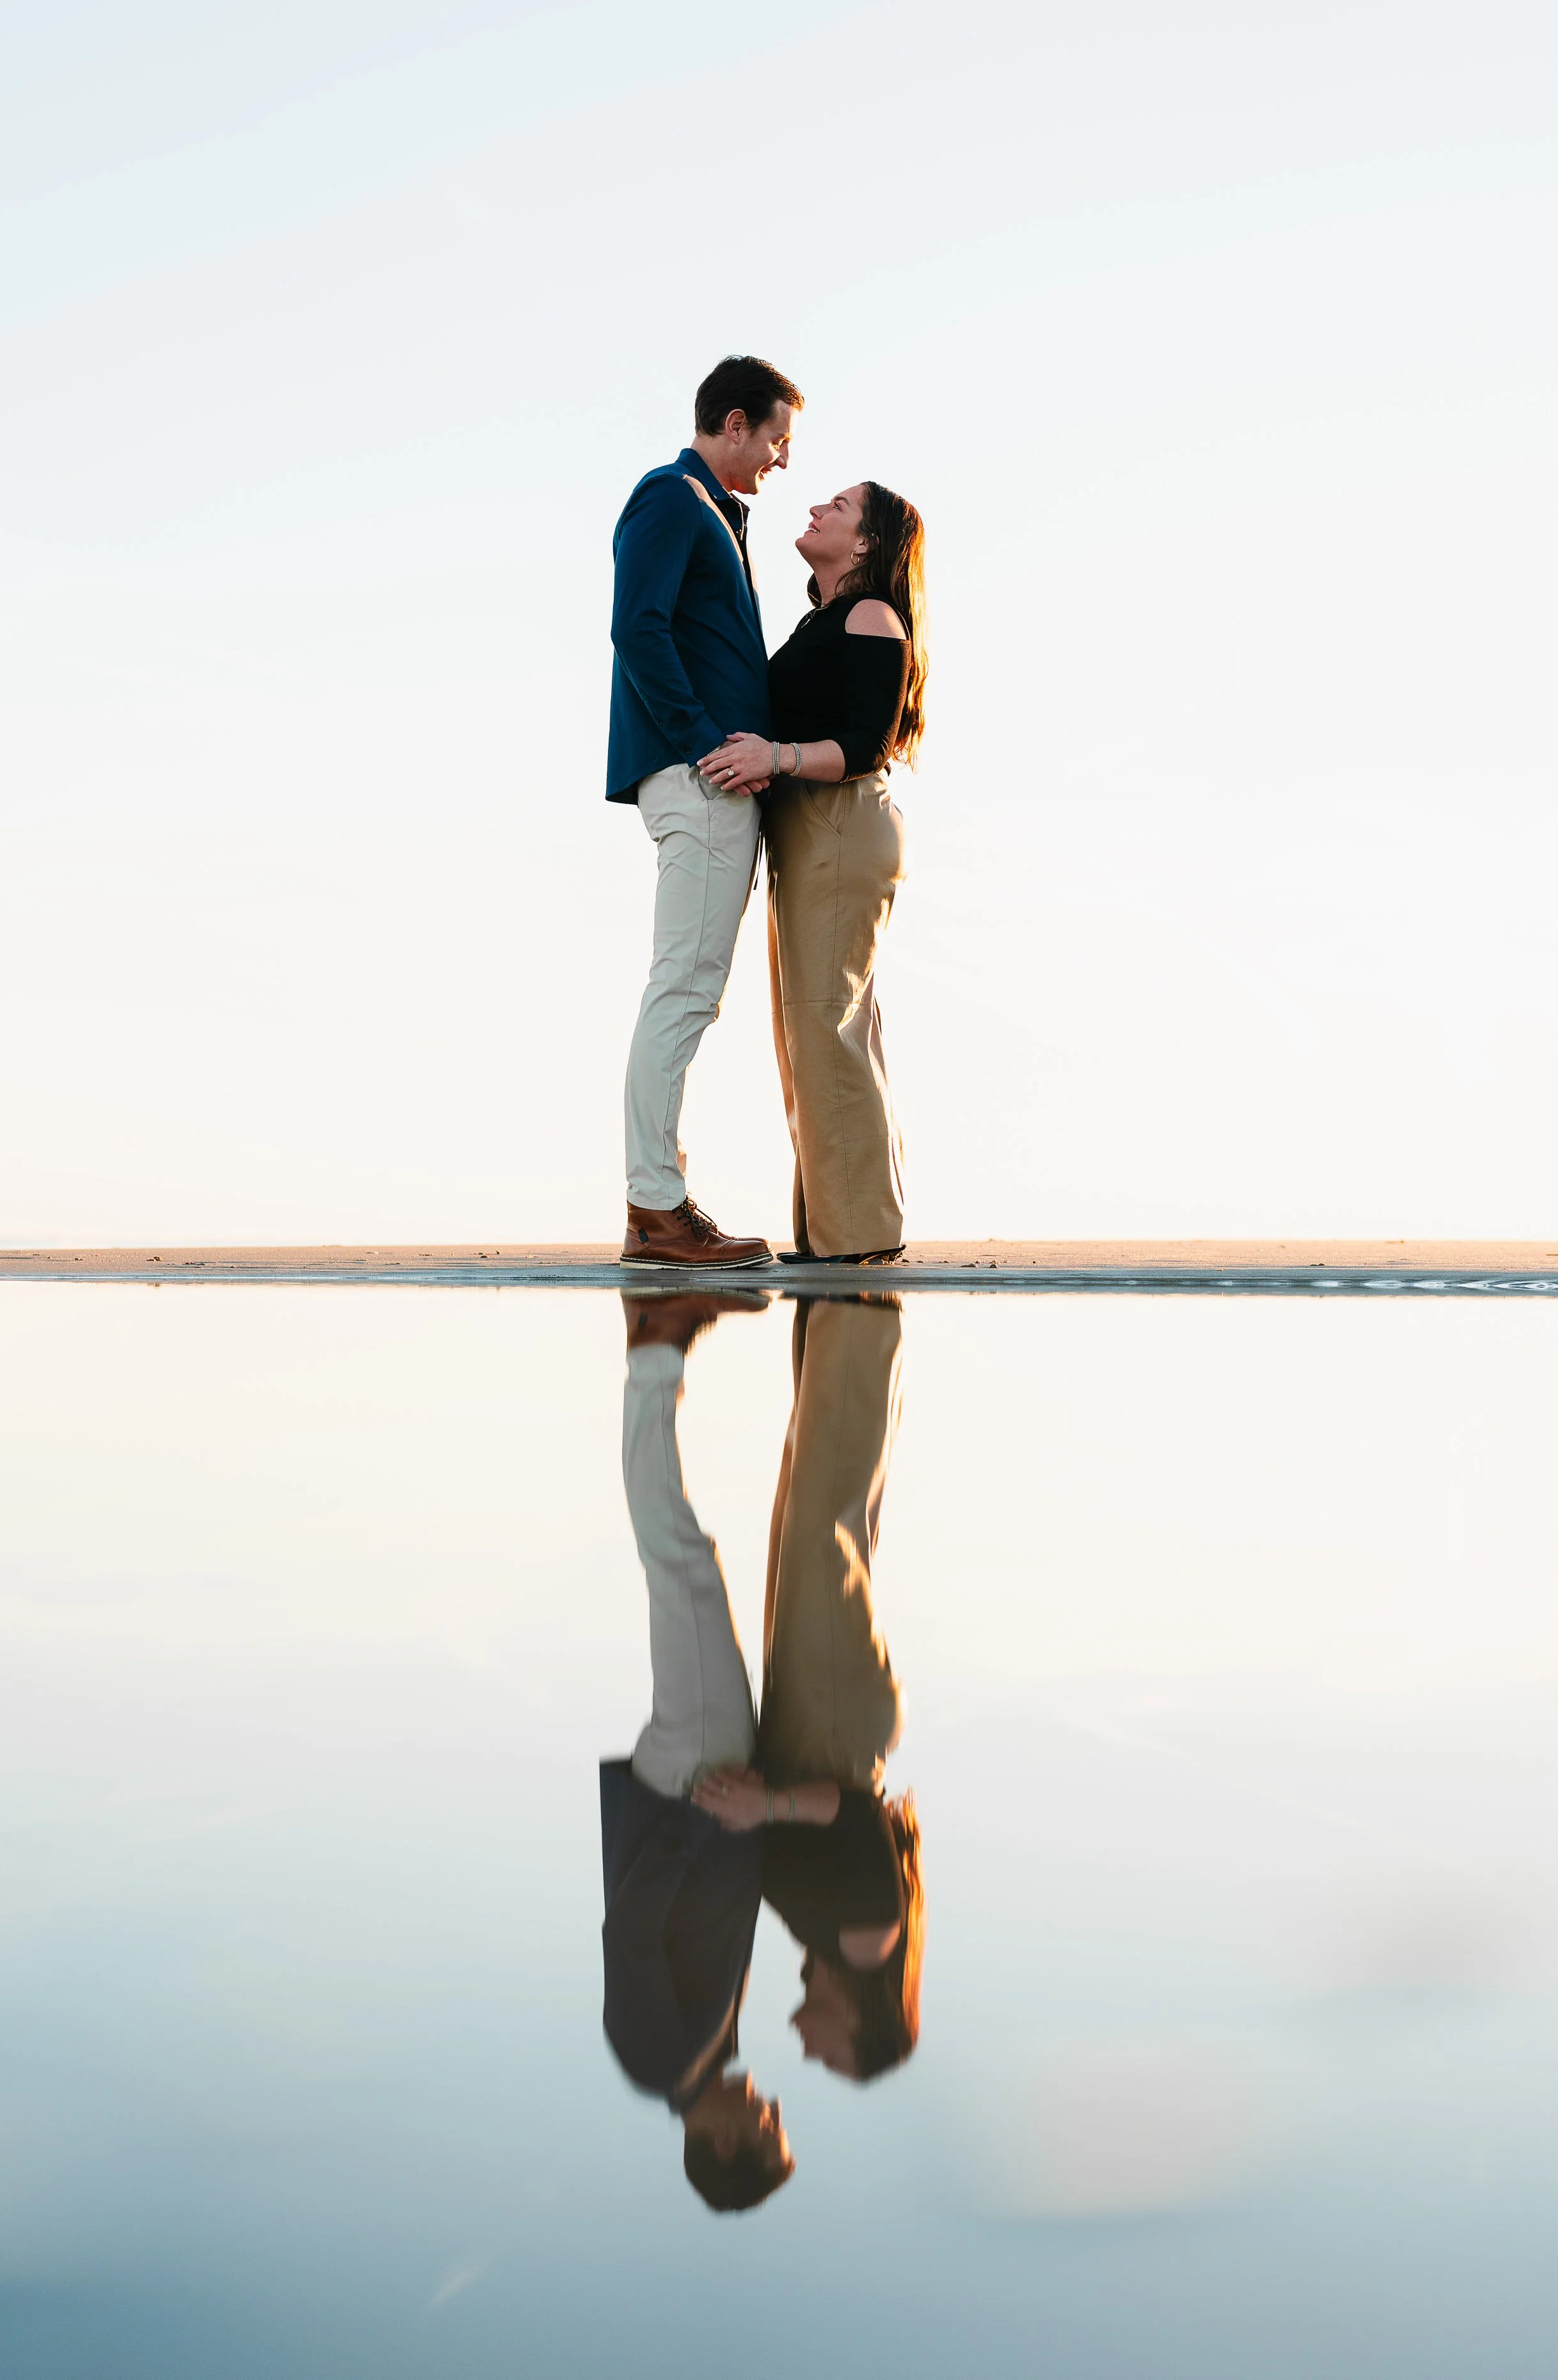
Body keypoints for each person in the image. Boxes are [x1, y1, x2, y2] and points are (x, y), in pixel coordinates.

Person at [692, 1295, 926, 2080]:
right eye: (830, 2056)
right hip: (834, 1725)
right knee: (825, 1515)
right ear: (861, 2026)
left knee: (811, 1504)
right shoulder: (866, 1939)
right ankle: (860, 1310)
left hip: (816, 1718)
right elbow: (850, 1815)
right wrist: (765, 1808)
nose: (807, 2048)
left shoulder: (823, 1944)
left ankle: (837, 1311)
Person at [600, 1288, 795, 2212]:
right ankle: (656, 1352)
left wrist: (695, 1817)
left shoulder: (659, 2059)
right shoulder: (703, 2051)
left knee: (678, 1561)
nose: (770, 2107)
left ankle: (655, 1350)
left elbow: (632, 1931)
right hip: (699, 1782)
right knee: (682, 1563)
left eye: (766, 2127)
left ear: (723, 2142)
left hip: (692, 1782)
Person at [610, 355, 803, 1271]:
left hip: (713, 782)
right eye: (776, 439)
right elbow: (636, 627)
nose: (781, 458)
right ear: (734, 424)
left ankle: (655, 1204)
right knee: (683, 987)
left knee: (690, 988)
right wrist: (701, 743)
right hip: (700, 782)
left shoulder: (715, 513)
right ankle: (656, 1208)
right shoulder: (671, 497)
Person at [700, 482, 928, 1262]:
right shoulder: (824, 622)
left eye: (838, 507)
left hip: (841, 823)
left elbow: (867, 744)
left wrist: (776, 757)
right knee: (812, 1026)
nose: (815, 511)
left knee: (825, 1022)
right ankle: (840, 1230)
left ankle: (857, 1238)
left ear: (866, 543)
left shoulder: (871, 617)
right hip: (811, 831)